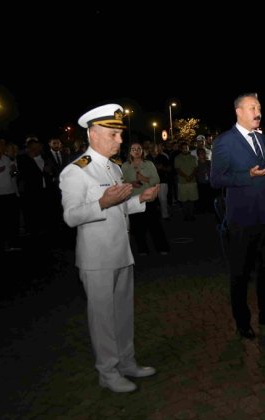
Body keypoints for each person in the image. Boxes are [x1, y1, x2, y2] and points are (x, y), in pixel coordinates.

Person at [60, 104, 159, 393]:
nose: (120, 140)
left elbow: (120, 208)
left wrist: (141, 199)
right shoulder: (76, 172)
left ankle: (126, 362)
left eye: (119, 134)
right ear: (93, 133)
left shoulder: (114, 167)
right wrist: (102, 202)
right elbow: (71, 216)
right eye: (114, 134)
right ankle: (107, 371)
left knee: (123, 314)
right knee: (103, 318)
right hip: (97, 258)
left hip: (120, 253)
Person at [210, 93, 265, 340]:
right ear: (239, 112)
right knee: (240, 273)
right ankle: (242, 321)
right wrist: (248, 176)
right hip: (241, 219)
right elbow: (216, 179)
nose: (258, 111)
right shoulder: (224, 142)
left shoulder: (263, 138)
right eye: (253, 107)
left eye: (260, 107)